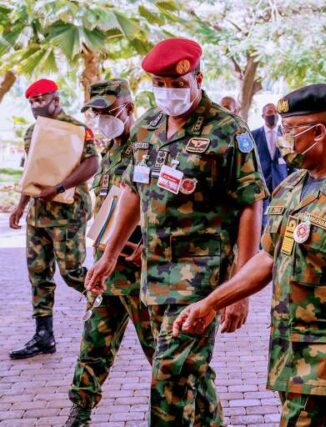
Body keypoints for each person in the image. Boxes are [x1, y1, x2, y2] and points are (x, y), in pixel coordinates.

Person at [172, 83, 326, 426]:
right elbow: (267, 258)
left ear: (319, 131)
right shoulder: (291, 187)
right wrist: (211, 303)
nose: (283, 137)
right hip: (288, 353)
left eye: (291, 130)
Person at [84, 38, 268, 427]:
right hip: (152, 274)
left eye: (176, 83)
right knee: (190, 373)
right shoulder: (147, 127)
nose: (168, 92)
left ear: (197, 79)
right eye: (160, 84)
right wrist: (110, 254)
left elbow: (250, 204)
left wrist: (242, 285)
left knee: (168, 373)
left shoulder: (227, 131)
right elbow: (134, 192)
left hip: (201, 276)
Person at [64, 78, 156, 427]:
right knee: (94, 345)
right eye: (96, 114)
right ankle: (81, 411)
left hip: (141, 272)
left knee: (159, 352)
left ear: (129, 109)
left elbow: (162, 206)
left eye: (108, 112)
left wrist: (147, 243)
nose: (101, 120)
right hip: (107, 272)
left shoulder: (148, 148)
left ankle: (173, 412)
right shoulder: (111, 151)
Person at [9, 79, 99, 360]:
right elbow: (32, 174)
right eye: (32, 101)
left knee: (72, 271)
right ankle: (43, 336)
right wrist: (21, 206)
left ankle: (111, 307)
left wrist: (59, 187)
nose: (37, 105)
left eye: (41, 99)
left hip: (68, 212)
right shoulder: (31, 132)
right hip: (39, 215)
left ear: (55, 99)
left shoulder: (76, 129)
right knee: (38, 274)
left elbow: (92, 163)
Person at [251, 102, 292, 229]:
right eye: (269, 112)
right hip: (261, 183)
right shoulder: (253, 135)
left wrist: (292, 181)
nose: (273, 115)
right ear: (263, 116)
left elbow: (292, 161)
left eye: (275, 112)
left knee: (279, 219)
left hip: (281, 183)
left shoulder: (286, 135)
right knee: (261, 219)